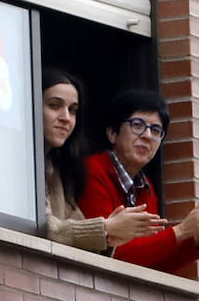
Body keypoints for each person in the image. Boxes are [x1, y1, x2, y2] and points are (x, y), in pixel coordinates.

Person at [78, 88, 199, 274]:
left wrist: (196, 236)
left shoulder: (145, 187)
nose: (147, 136)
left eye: (156, 130)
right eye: (137, 125)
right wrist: (183, 231)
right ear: (112, 133)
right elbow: (109, 254)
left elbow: (153, 264)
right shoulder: (92, 170)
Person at [40, 68, 167, 253]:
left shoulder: (61, 168)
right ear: (112, 133)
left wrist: (109, 234)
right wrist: (107, 230)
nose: (66, 118)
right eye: (54, 105)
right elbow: (41, 226)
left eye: (73, 110)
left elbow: (76, 224)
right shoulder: (91, 168)